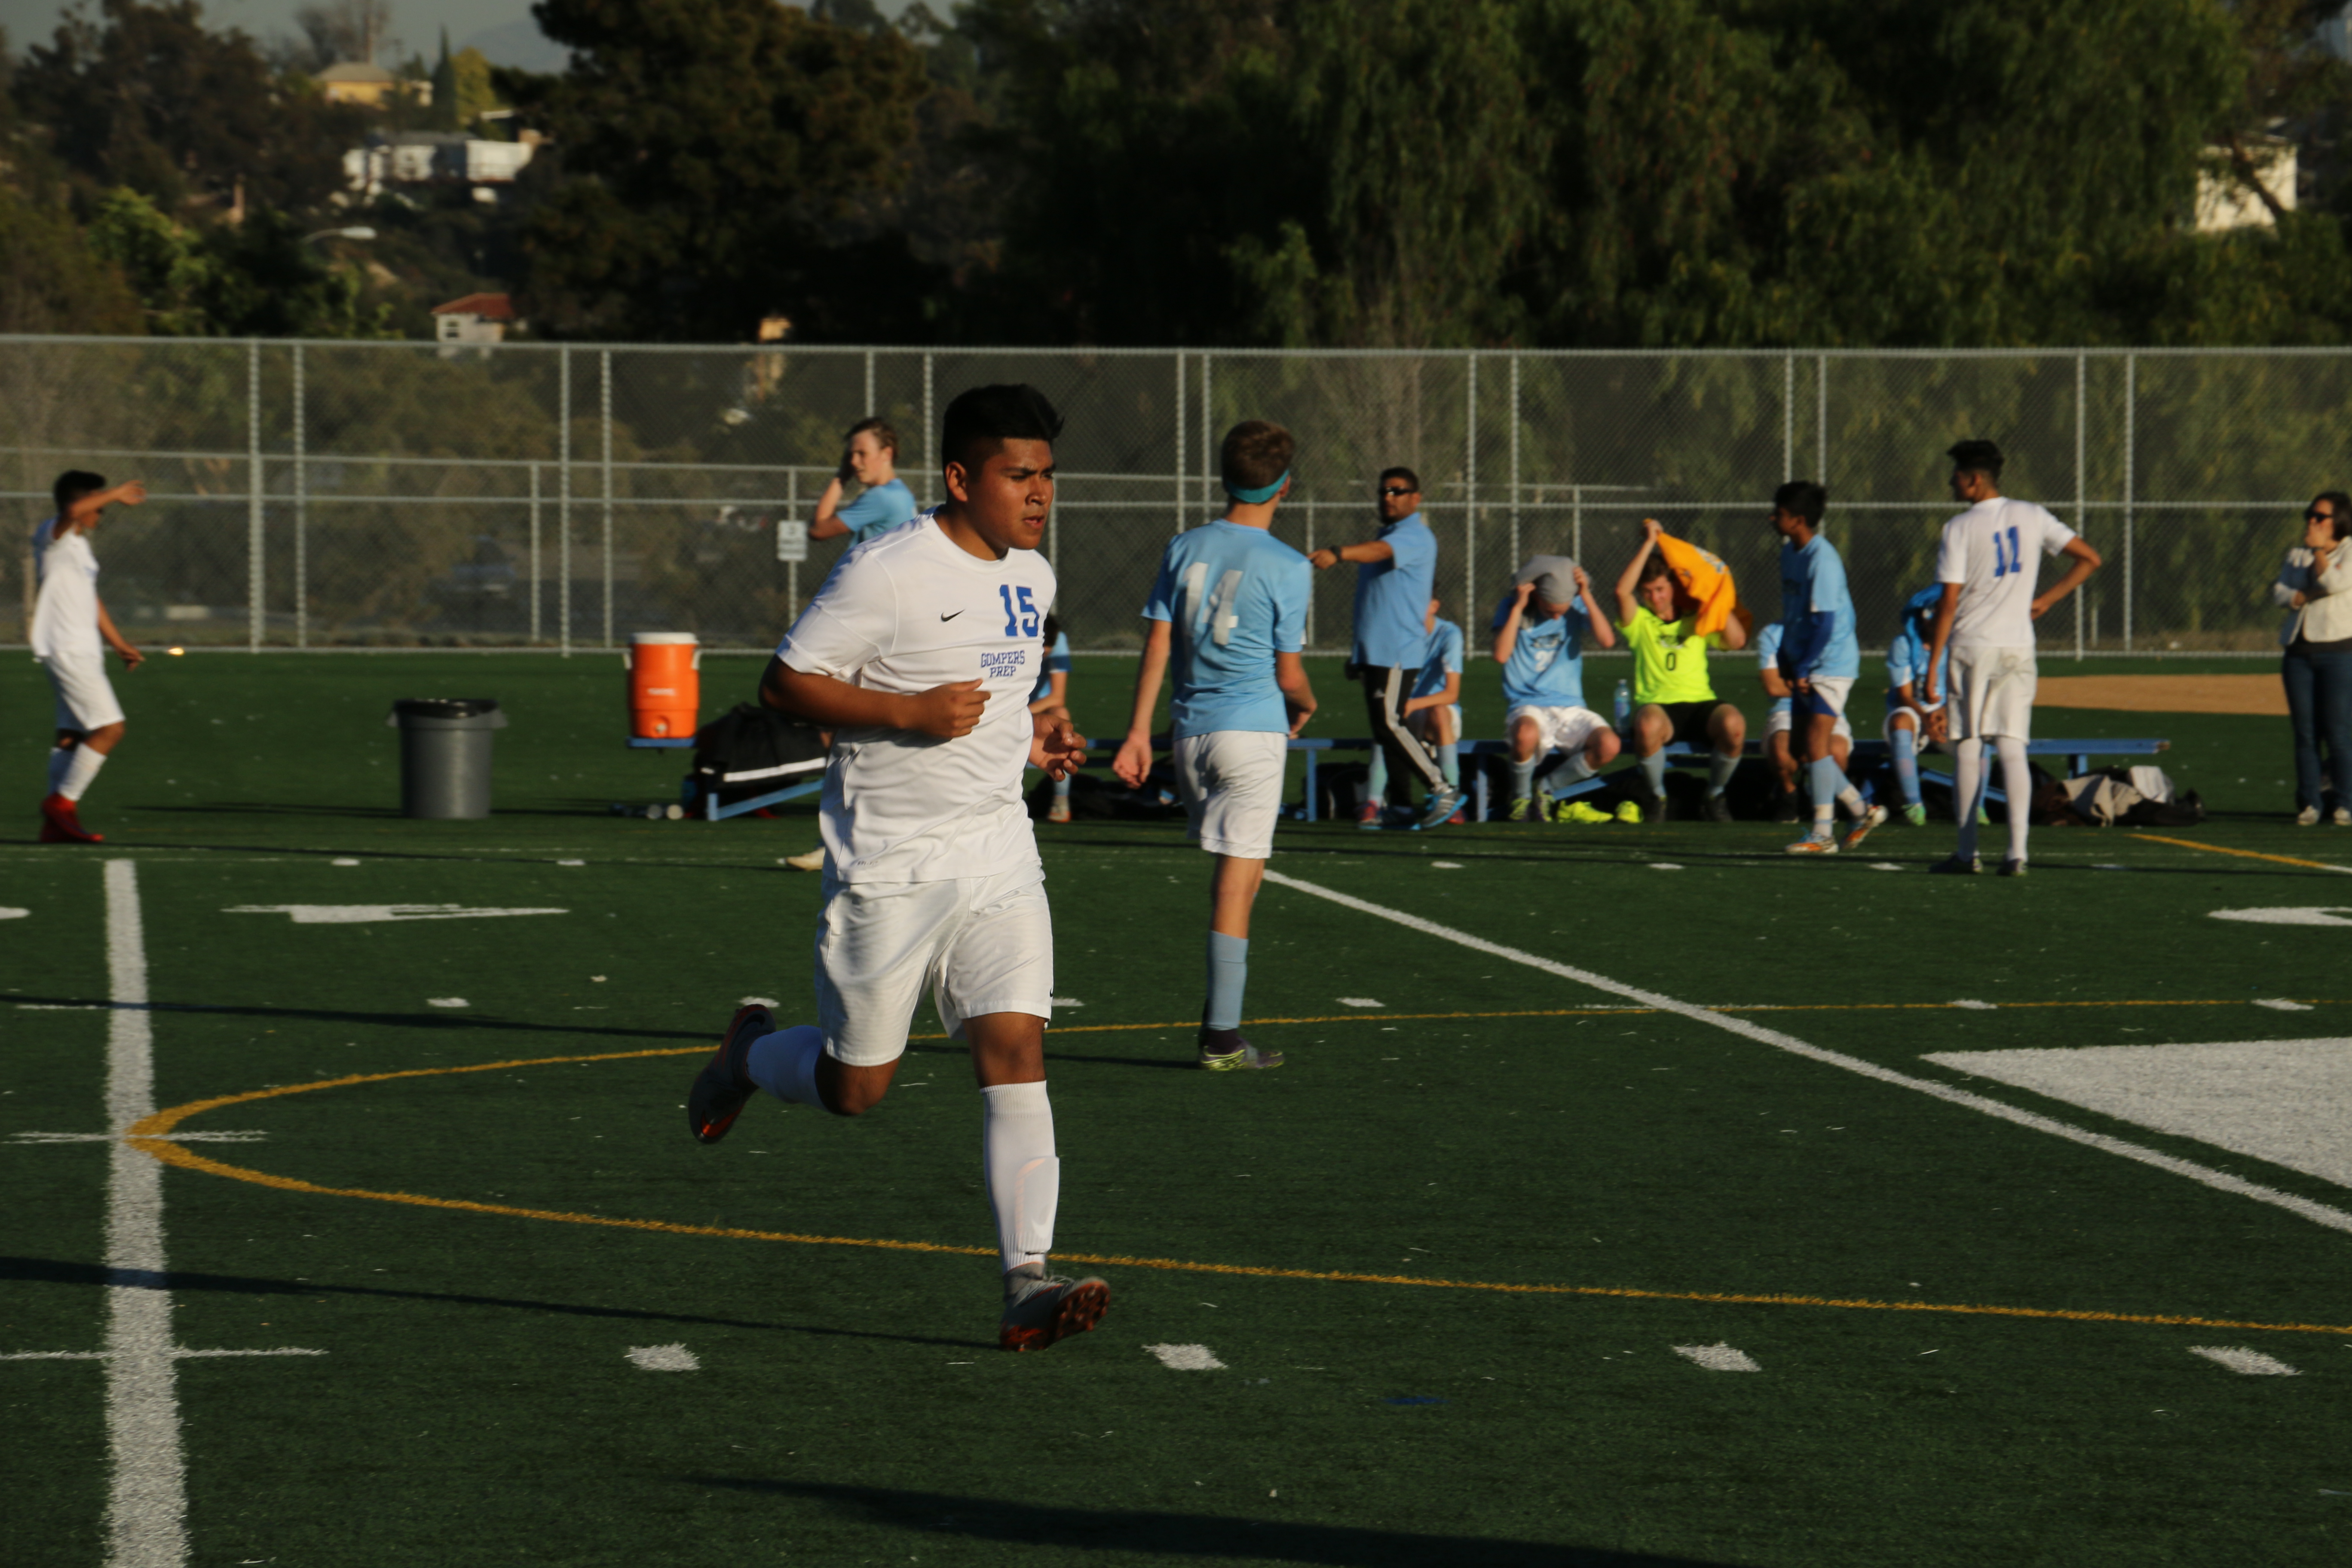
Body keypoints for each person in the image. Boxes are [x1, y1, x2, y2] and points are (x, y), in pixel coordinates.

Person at [685, 384, 1104, 1352]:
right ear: (959, 478)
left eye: (1047, 476)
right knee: (855, 1089)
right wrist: (906, 713)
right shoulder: (889, 569)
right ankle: (746, 1055)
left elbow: (1007, 692)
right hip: (890, 867)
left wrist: (1040, 734)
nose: (1039, 493)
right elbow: (785, 682)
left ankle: (1027, 1281)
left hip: (998, 849)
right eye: (1017, 475)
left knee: (1017, 1049)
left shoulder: (1034, 573)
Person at [1114, 419, 1315, 1070]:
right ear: (1285, 486)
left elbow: (1158, 644)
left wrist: (1139, 732)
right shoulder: (1289, 565)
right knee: (1236, 885)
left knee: (1245, 875)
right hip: (1251, 733)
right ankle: (1222, 1038)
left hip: (1190, 736)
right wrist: (1307, 703)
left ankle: (1221, 1024)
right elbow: (1289, 675)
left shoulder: (1185, 546)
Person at [1923, 438, 2103, 876]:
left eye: (1956, 475)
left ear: (1974, 479)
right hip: (2018, 646)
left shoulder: (1959, 527)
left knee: (1969, 747)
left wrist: (1932, 667)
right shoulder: (2032, 514)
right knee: (2012, 746)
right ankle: (2017, 854)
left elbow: (1949, 603)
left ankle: (1967, 854)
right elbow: (2089, 559)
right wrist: (2045, 601)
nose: (1951, 483)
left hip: (1972, 645)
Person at [1307, 469, 1460, 828]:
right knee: (1385, 729)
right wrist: (1359, 656)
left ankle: (1442, 789)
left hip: (1396, 651)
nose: (1388, 497)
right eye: (1384, 491)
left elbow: (1379, 552)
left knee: (1389, 724)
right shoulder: (1387, 534)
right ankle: (1403, 807)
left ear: (1416, 498)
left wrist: (1338, 553)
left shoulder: (1415, 535)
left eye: (1398, 491)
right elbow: (1376, 600)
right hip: (1376, 654)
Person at [1770, 482, 1886, 856]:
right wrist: (1786, 656)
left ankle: (1823, 833)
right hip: (1805, 659)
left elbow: (1824, 623)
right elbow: (1794, 612)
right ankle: (1861, 810)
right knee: (1804, 749)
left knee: (1818, 744)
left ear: (1798, 520)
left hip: (1831, 662)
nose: (1772, 518)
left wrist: (1804, 665)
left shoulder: (1823, 560)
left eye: (1779, 513)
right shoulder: (1789, 553)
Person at [31, 471, 147, 844]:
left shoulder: (81, 547)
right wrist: (114, 493)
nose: (102, 513)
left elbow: (90, 599)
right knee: (111, 729)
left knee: (71, 735)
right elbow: (72, 510)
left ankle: (55, 826)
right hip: (67, 648)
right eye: (98, 505)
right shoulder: (54, 536)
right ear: (82, 505)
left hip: (82, 649)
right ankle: (62, 803)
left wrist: (118, 643)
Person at [1613, 520, 1746, 821]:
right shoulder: (1640, 623)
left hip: (1700, 703)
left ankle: (1715, 794)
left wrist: (1714, 597)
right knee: (1647, 726)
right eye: (1648, 592)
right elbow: (1621, 592)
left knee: (1734, 725)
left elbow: (1737, 641)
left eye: (1661, 589)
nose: (1655, 598)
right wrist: (1650, 543)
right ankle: (1657, 797)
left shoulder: (1696, 618)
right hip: (1659, 706)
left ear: (1673, 586)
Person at [1491, 556, 1622, 824]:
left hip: (1570, 706)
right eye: (1551, 610)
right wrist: (1518, 608)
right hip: (1527, 704)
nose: (1558, 616)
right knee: (1525, 734)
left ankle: (1547, 789)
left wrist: (1586, 596)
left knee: (1609, 745)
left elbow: (1607, 640)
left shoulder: (1576, 605)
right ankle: (1520, 798)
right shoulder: (1511, 607)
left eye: (1562, 610)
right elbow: (1501, 655)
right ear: (1536, 595)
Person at [2273, 491, 2352, 826]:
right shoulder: (2297, 554)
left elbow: (2333, 582)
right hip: (2298, 654)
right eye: (2310, 515)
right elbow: (2280, 592)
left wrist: (2319, 551)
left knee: (2338, 733)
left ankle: (2345, 803)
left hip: (2338, 653)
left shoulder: (2348, 551)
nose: (2312, 522)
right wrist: (2305, 594)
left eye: (2321, 517)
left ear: (2339, 521)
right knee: (2305, 734)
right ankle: (2310, 802)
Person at [1754, 620, 1851, 823]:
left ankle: (1820, 800)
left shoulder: (1833, 630)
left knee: (1837, 752)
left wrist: (1792, 683)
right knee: (1781, 751)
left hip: (1827, 708)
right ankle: (1790, 795)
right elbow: (1773, 686)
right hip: (1786, 710)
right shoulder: (1772, 633)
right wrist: (1815, 686)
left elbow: (1836, 683)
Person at [1883, 584, 1951, 827]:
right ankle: (1914, 804)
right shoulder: (1903, 644)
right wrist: (1927, 719)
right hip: (1914, 710)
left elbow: (1962, 690)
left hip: (1946, 711)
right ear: (1925, 618)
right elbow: (1905, 696)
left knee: (1976, 736)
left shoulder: (1958, 643)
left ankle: (1977, 805)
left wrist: (1945, 712)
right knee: (1900, 723)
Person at [1393, 598, 1464, 823]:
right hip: (1406, 712)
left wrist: (1411, 705)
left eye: (1420, 602)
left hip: (1437, 713)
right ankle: (1375, 803)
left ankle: (1451, 797)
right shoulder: (1398, 632)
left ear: (1435, 605)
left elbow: (1452, 694)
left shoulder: (1449, 634)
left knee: (1439, 711)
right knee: (1385, 716)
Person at [807, 417, 918, 545]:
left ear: (887, 454)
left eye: (862, 453)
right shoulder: (902, 493)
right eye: (850, 455)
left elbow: (818, 530)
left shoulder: (881, 497)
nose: (853, 462)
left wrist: (842, 477)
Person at [1029, 613, 1075, 824]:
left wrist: (1020, 713)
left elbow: (1057, 696)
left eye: (1046, 653)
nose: (1043, 656)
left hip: (1033, 708)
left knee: (1062, 716)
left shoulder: (1058, 639)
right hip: (1008, 705)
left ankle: (1061, 801)